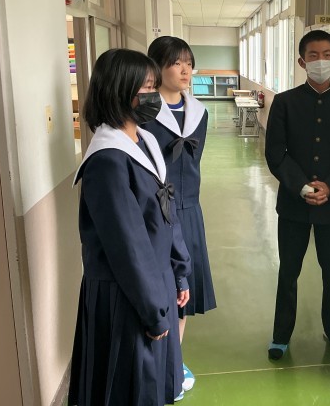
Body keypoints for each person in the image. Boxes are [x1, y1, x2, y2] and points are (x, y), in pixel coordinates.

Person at [68, 48, 191, 405]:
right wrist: (153, 312)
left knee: (152, 385)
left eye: (154, 86)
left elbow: (166, 214)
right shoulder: (107, 161)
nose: (154, 95)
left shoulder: (145, 141)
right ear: (118, 91)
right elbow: (128, 248)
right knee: (129, 387)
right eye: (146, 87)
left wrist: (179, 273)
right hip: (128, 298)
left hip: (155, 284)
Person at [265, 29, 330, 360]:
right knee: (288, 270)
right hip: (293, 203)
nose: (320, 61)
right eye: (313, 56)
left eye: (326, 55)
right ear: (301, 61)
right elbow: (276, 153)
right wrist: (302, 186)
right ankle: (281, 334)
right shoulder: (285, 102)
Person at [144, 36, 216, 399]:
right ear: (157, 67)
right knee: (159, 290)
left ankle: (174, 360)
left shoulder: (199, 112)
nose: (185, 70)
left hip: (189, 210)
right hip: (155, 213)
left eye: (189, 62)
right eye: (176, 63)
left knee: (183, 294)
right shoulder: (142, 112)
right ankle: (156, 364)